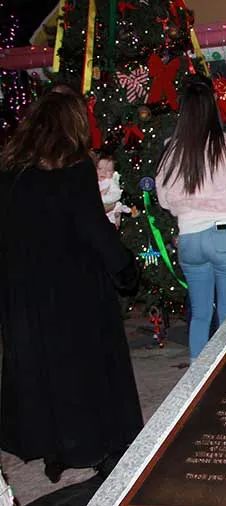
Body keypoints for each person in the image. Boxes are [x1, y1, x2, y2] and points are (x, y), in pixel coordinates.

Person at [0, 85, 143, 483]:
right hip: (74, 291)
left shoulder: (9, 173)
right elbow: (93, 229)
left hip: (24, 293)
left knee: (42, 372)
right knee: (88, 371)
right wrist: (125, 268)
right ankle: (100, 449)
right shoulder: (73, 169)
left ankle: (55, 451)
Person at [156, 77, 226, 362]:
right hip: (225, 236)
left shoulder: (172, 149)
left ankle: (197, 376)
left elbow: (164, 199)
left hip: (189, 240)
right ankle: (225, 375)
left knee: (200, 314)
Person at [95, 152, 131, 229]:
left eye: (108, 170)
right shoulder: (92, 181)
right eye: (100, 169)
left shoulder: (111, 182)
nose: (103, 172)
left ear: (113, 172)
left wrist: (102, 198)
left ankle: (117, 216)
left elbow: (116, 195)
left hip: (110, 212)